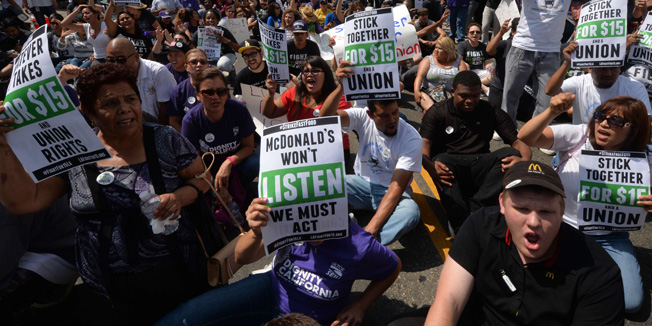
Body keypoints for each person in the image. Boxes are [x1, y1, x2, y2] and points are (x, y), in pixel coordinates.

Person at [0, 63, 211, 324]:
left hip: (178, 271)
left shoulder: (166, 139)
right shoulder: (75, 152)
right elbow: (24, 201)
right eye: (110, 103)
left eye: (130, 99)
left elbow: (203, 178)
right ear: (89, 113)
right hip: (108, 288)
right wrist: (2, 147)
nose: (124, 108)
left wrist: (180, 197)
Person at [424, 161, 625, 325]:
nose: (534, 222)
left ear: (562, 211)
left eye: (545, 212)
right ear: (502, 203)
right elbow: (449, 301)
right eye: (522, 208)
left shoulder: (599, 274)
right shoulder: (480, 226)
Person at [155, 197, 401, 325]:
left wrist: (361, 305)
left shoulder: (360, 245)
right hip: (270, 290)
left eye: (322, 221)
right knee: (188, 315)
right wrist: (256, 232)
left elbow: (392, 267)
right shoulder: (286, 219)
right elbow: (242, 257)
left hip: (310, 319)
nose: (310, 231)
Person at [518, 93, 650, 313]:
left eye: (616, 121)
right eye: (600, 116)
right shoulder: (579, 134)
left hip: (610, 236)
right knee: (533, 280)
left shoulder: (645, 159)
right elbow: (526, 137)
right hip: (563, 226)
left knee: (631, 303)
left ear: (633, 129)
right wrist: (552, 112)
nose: (604, 123)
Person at [316, 62, 423, 245]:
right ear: (370, 114)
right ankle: (325, 233)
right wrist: (341, 86)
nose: (392, 120)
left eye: (395, 112)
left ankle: (364, 245)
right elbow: (324, 119)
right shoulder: (361, 116)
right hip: (361, 185)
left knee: (411, 212)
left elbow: (395, 190)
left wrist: (371, 230)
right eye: (384, 115)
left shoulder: (411, 138)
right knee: (320, 185)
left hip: (392, 193)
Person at [420, 71, 531, 232]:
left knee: (511, 154)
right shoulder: (437, 112)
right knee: (441, 161)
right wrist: (430, 167)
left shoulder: (491, 111)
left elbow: (519, 141)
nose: (470, 101)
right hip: (452, 168)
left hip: (481, 165)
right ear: (452, 92)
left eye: (475, 95)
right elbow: (423, 144)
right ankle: (459, 223)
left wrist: (524, 161)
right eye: (463, 96)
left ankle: (476, 208)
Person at [181, 68, 259, 212]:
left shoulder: (239, 110)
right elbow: (194, 162)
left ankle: (242, 189)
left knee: (255, 162)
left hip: (235, 164)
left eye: (221, 91)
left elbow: (248, 147)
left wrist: (229, 163)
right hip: (206, 170)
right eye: (208, 92)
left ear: (227, 93)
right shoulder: (190, 121)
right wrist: (213, 184)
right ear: (198, 95)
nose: (215, 97)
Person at [263, 56, 353, 171]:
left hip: (331, 153)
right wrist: (270, 94)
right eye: (306, 71)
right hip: (299, 152)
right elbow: (269, 113)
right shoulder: (294, 93)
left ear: (326, 74)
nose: (310, 74)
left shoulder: (339, 97)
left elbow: (338, 130)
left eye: (315, 70)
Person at [545, 41, 652, 124]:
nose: (608, 73)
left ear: (620, 68)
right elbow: (550, 90)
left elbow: (645, 122)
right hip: (582, 145)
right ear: (590, 68)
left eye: (614, 68)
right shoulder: (580, 82)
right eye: (602, 69)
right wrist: (567, 63)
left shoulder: (635, 87)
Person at [500, 0, 571, 126]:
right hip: (522, 47)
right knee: (510, 94)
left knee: (546, 98)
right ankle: (506, 127)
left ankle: (539, 131)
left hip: (551, 51)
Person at [106, 38, 177, 124]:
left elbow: (166, 109)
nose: (116, 65)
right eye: (111, 61)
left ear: (136, 57)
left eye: (121, 60)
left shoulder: (158, 72)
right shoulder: (110, 75)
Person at [414, 37, 469, 109]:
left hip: (450, 95)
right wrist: (416, 91)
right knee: (433, 110)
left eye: (440, 49)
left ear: (448, 50)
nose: (436, 50)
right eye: (436, 47)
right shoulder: (428, 60)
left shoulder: (459, 63)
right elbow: (419, 77)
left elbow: (463, 82)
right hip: (429, 93)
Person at [168, 49, 210, 131]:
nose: (199, 65)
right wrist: (187, 140)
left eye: (203, 62)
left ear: (207, 64)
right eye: (194, 62)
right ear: (186, 67)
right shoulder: (179, 91)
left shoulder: (219, 85)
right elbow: (174, 121)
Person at [456, 22, 492, 94]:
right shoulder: (462, 45)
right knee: (465, 67)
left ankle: (474, 84)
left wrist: (491, 70)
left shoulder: (484, 47)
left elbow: (487, 64)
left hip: (479, 73)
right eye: (472, 32)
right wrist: (466, 66)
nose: (475, 34)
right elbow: (459, 61)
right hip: (467, 71)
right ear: (467, 34)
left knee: (495, 75)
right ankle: (482, 87)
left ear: (480, 34)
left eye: (478, 32)